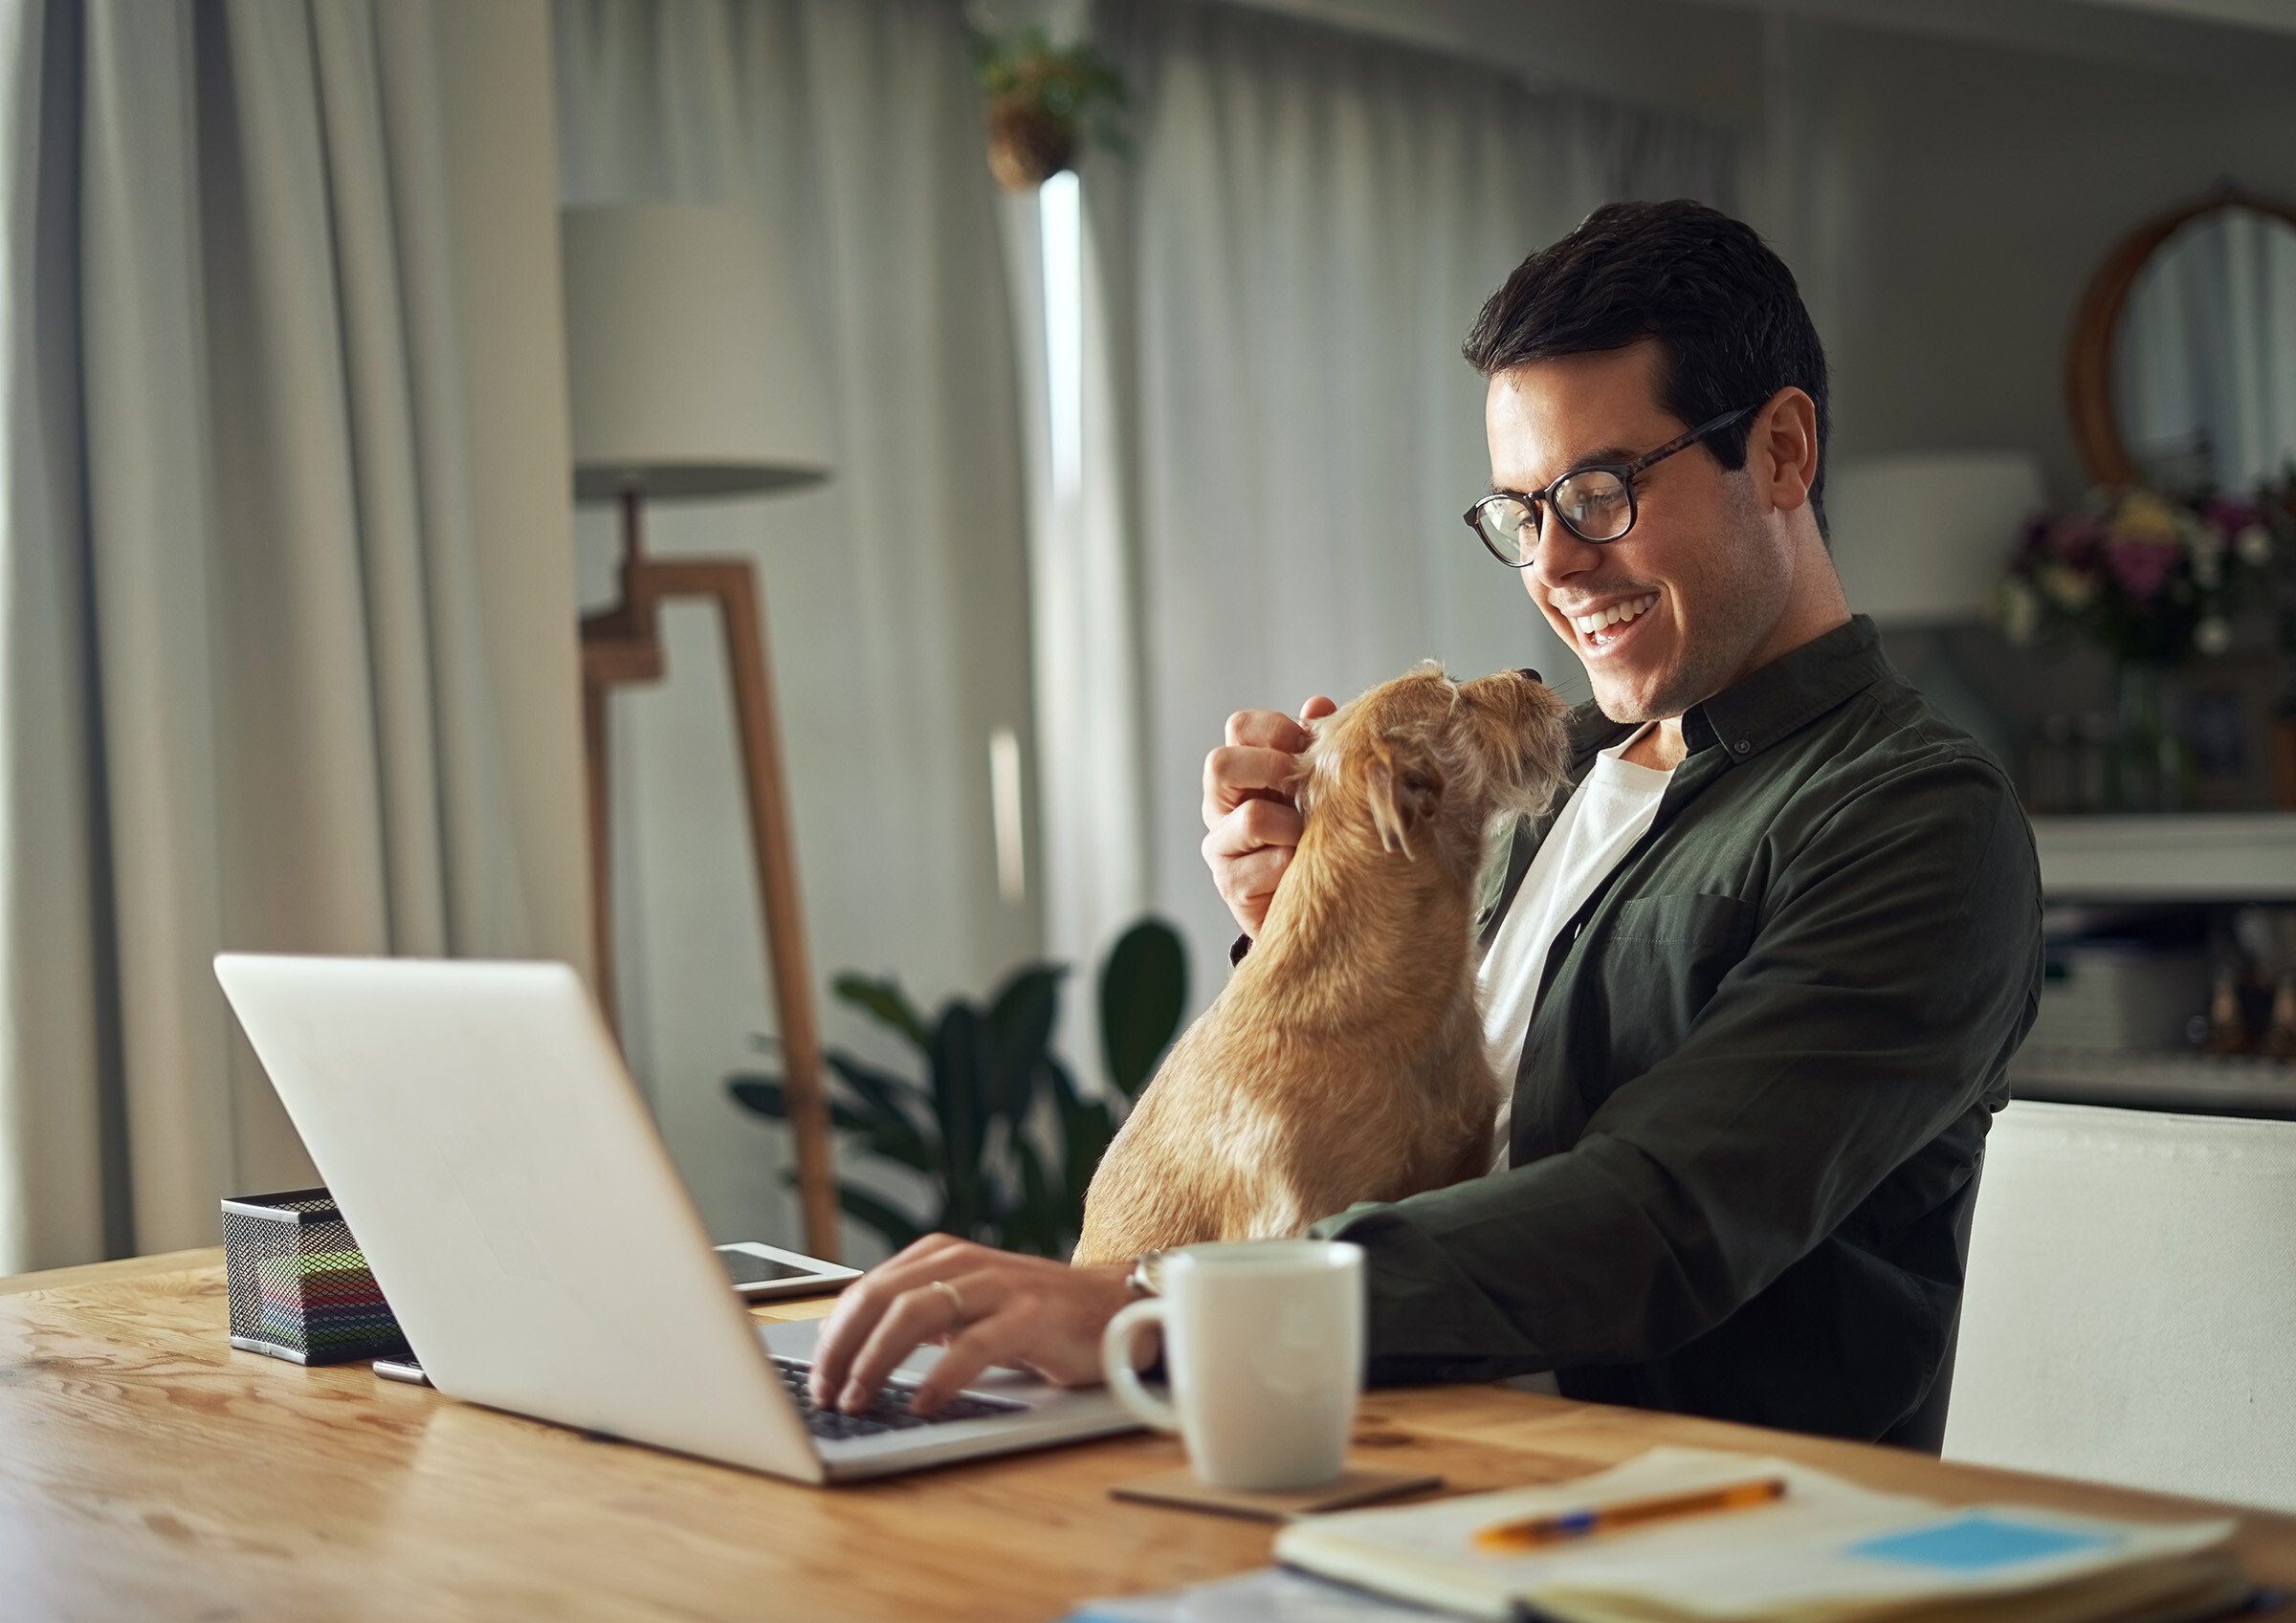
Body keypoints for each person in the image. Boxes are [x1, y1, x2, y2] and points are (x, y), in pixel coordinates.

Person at [805, 199, 2042, 1444]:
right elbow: (1429, 1125)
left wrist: (1156, 1307)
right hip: (1370, 1444)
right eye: (1520, 511)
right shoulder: (1538, 785)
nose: (1552, 564)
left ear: (1781, 450)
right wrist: (1305, 923)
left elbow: (1657, 1220)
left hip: (1667, 1521)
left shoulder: (1916, 816)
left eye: (1599, 491)